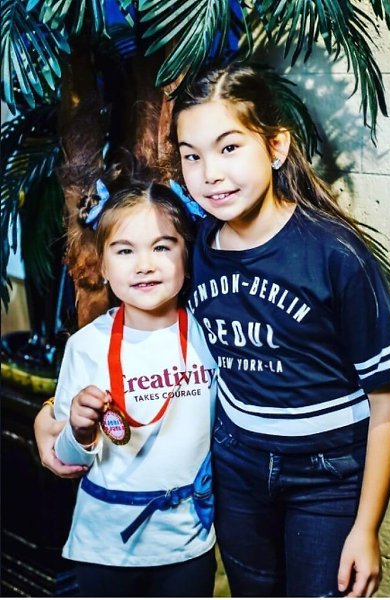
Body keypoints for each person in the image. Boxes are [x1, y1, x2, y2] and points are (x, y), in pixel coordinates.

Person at [35, 63, 390, 597]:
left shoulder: (336, 255)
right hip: (238, 470)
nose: (210, 173)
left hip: (325, 477)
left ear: (276, 147)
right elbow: (139, 341)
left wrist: (366, 528)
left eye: (229, 147)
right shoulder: (199, 251)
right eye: (192, 155)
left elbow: (387, 400)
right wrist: (49, 419)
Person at [38, 180, 217, 597]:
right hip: (104, 546)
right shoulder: (85, 346)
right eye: (124, 251)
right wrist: (79, 431)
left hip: (187, 543)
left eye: (162, 247)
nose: (144, 265)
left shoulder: (209, 337)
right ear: (102, 265)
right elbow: (65, 457)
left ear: (187, 257)